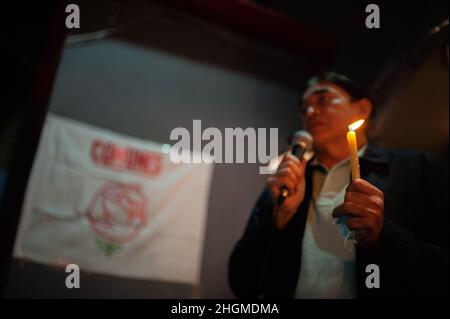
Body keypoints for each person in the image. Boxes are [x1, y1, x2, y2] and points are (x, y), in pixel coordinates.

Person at [228, 72, 448, 299]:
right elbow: (241, 282)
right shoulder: (287, 183)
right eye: (304, 109)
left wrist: (384, 236)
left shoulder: (417, 169)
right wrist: (279, 220)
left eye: (322, 100)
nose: (310, 112)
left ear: (362, 108)